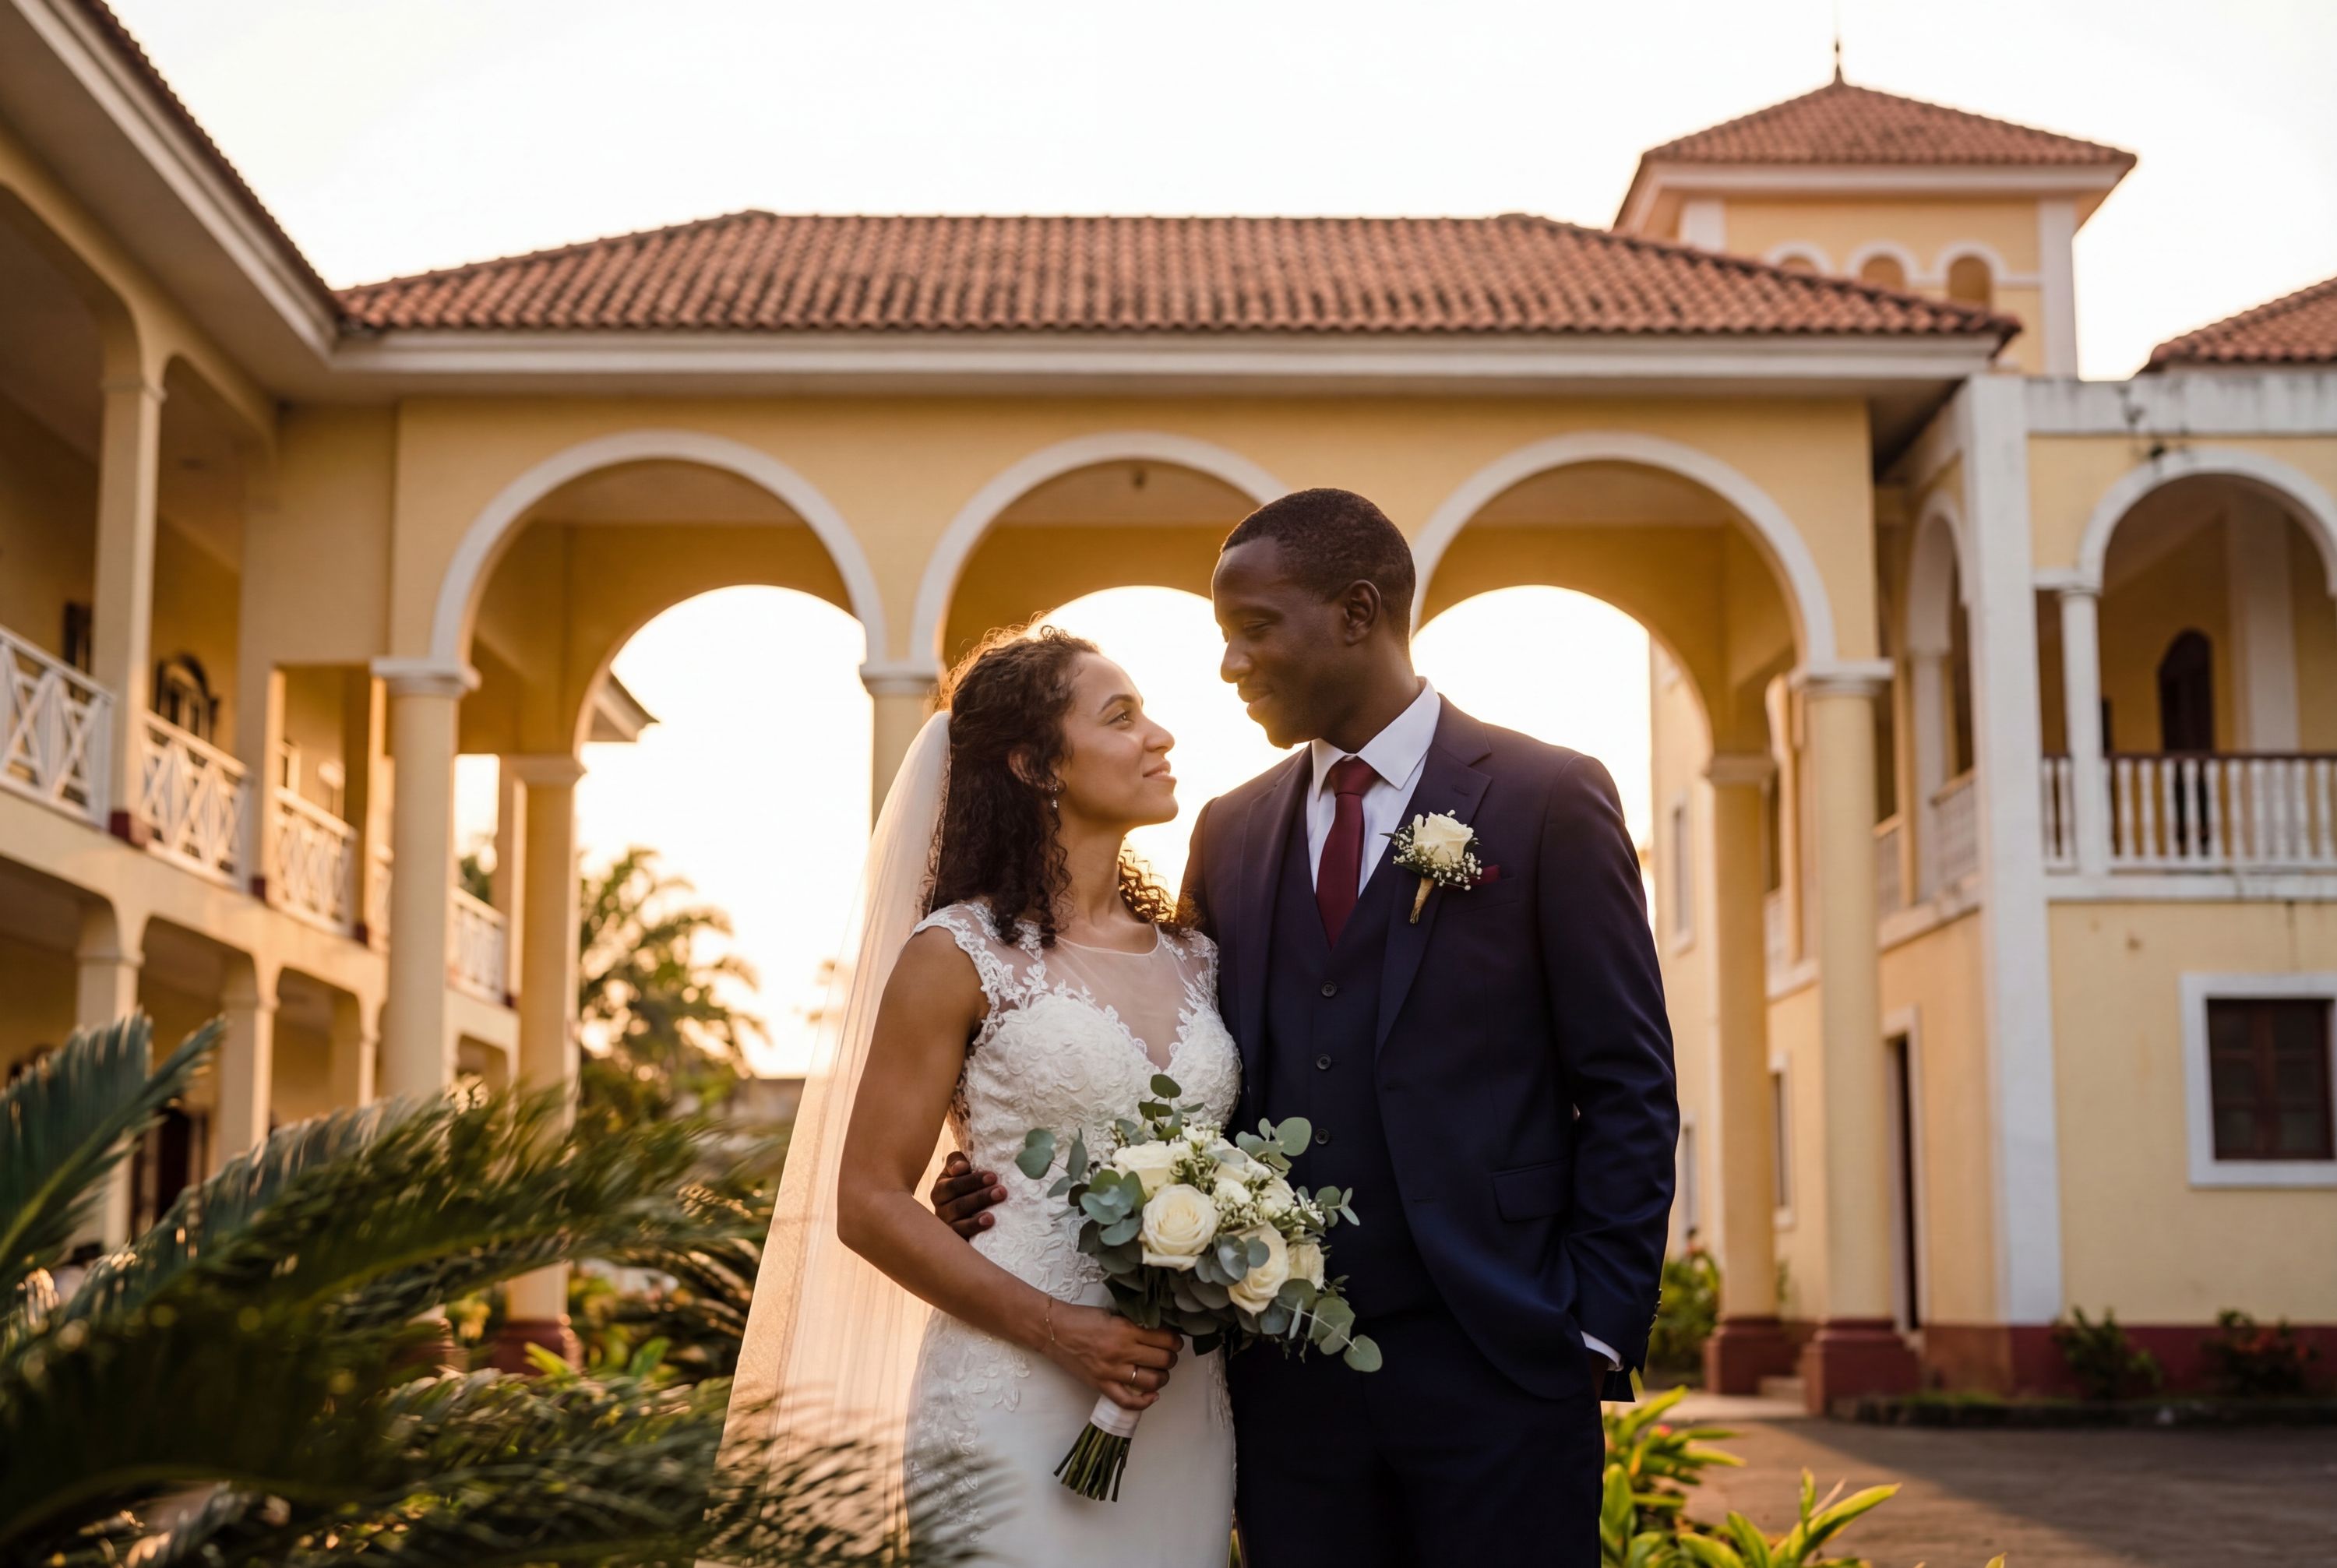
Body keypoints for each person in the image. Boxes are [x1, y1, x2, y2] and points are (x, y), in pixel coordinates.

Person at [932, 488, 1680, 1566]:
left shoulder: (1547, 795)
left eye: (1255, 629)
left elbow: (1626, 1081)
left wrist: (1593, 1327)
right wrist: (991, 1182)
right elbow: (1178, 1066)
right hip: (1284, 1383)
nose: (1232, 665)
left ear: (1358, 612)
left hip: (1502, 1362)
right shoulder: (1231, 830)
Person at [724, 625, 1240, 1565]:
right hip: (1010, 1393)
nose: (1160, 736)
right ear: (1034, 763)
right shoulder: (956, 956)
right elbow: (870, 1202)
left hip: (1178, 1406)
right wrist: (1063, 1332)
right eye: (1121, 717)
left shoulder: (1200, 959)